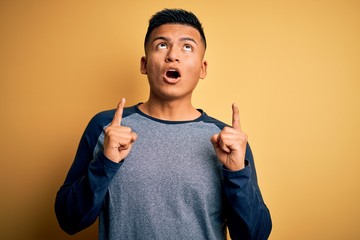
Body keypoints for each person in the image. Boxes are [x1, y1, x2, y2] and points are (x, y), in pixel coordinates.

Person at [55, 8, 272, 240]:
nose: (173, 55)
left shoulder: (227, 141)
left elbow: (255, 236)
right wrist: (105, 163)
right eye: (161, 45)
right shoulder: (106, 128)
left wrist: (238, 172)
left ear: (202, 69)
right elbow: (69, 220)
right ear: (144, 64)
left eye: (187, 47)